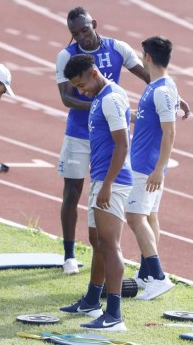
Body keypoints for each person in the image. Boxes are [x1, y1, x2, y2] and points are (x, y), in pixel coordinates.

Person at [56, 6, 190, 274]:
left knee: (118, 205)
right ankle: (69, 255)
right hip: (79, 134)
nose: (81, 37)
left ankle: (142, 269)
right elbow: (66, 98)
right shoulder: (67, 56)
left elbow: (150, 76)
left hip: (111, 133)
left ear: (93, 24)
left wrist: (174, 98)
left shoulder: (117, 48)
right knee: (72, 192)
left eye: (84, 30)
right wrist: (100, 106)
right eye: (75, 33)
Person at [60, 54, 132, 332]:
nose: (81, 91)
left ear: (93, 72)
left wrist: (108, 185)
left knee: (110, 245)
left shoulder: (111, 98)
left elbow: (122, 145)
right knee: (97, 240)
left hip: (112, 182)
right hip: (100, 178)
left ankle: (114, 315)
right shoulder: (102, 97)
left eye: (81, 84)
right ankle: (92, 300)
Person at [125, 36, 178, 301]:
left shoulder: (162, 90)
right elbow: (150, 121)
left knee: (135, 217)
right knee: (149, 217)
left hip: (146, 167)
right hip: (146, 163)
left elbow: (170, 132)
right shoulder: (156, 86)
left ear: (147, 57)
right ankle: (147, 274)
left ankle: (158, 277)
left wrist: (158, 170)